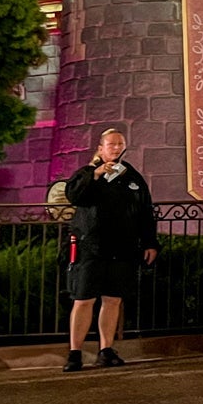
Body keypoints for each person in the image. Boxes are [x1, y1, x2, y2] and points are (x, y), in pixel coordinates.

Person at [62, 128, 157, 372]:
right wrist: (95, 175)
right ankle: (75, 353)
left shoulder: (132, 177)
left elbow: (145, 210)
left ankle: (106, 349)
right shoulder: (86, 174)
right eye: (111, 144)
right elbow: (74, 196)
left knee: (113, 299)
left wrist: (149, 242)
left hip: (123, 247)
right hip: (90, 246)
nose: (116, 148)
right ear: (101, 148)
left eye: (120, 144)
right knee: (83, 299)